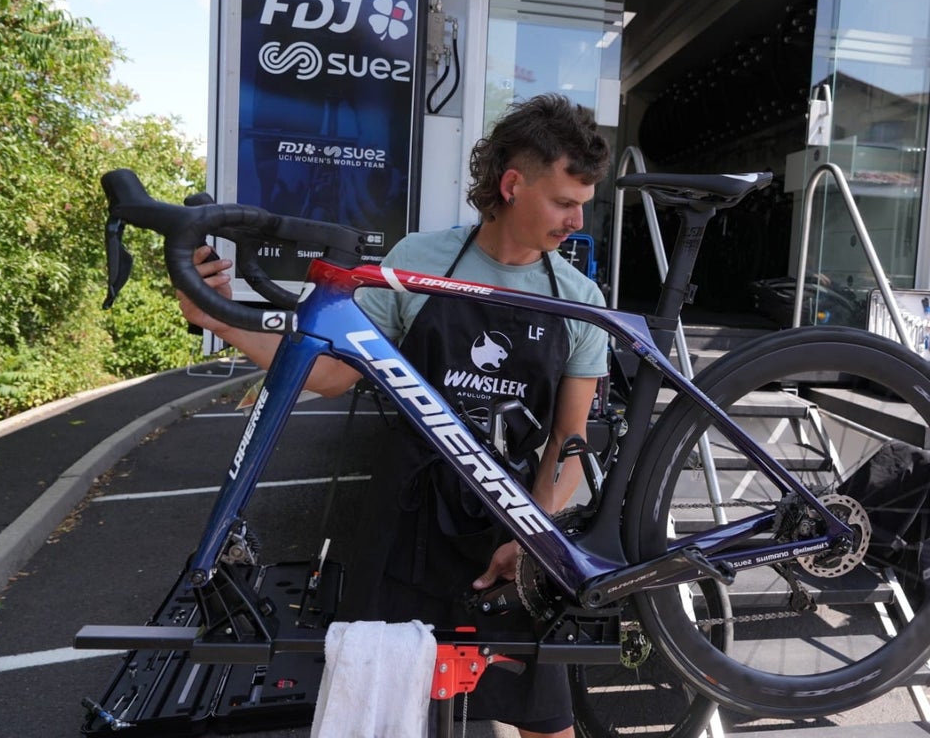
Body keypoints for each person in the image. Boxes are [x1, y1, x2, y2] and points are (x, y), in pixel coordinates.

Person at [178, 93, 611, 736]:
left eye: (584, 201)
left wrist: (535, 540)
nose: (578, 218)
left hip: (511, 533)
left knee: (545, 722)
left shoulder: (579, 300)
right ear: (513, 184)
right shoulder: (416, 263)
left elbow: (569, 440)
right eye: (564, 201)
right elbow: (328, 373)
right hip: (404, 527)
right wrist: (216, 317)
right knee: (384, 708)